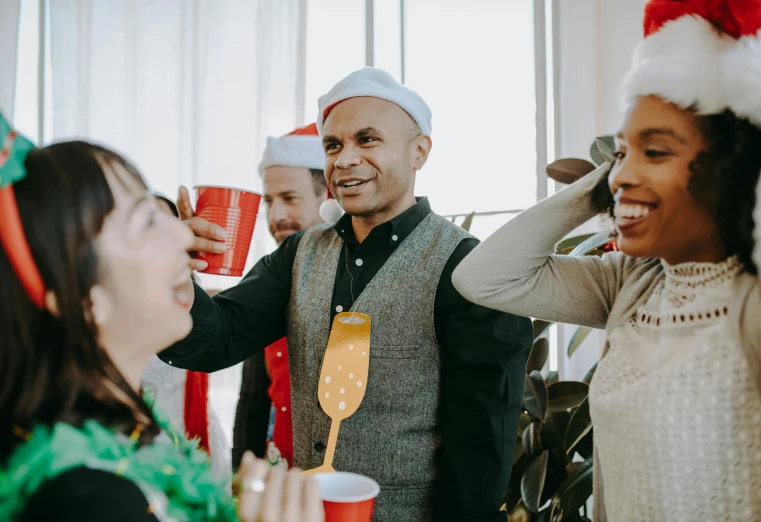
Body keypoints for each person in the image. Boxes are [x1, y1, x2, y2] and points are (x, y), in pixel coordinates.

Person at [452, 1, 761, 520]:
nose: (622, 176)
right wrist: (600, 185)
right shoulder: (630, 285)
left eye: (656, 152)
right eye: (621, 153)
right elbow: (483, 277)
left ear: (737, 169)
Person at [162, 67, 533, 522]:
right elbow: (214, 339)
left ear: (419, 152)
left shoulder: (467, 268)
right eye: (333, 145)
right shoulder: (300, 254)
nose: (345, 159)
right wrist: (173, 268)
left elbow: (481, 448)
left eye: (367, 140)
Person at [0, 113, 321, 522]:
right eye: (148, 222)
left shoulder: (136, 435)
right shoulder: (88, 498)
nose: (186, 235)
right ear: (84, 300)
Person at [233, 123, 327, 470]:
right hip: (276, 475)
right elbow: (253, 396)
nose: (276, 217)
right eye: (269, 201)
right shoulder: (268, 279)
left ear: (328, 195)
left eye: (290, 198)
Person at [140, 193, 232, 479]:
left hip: (199, 430)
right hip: (148, 440)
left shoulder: (193, 302)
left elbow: (226, 312)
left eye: (169, 225)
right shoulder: (122, 312)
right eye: (148, 224)